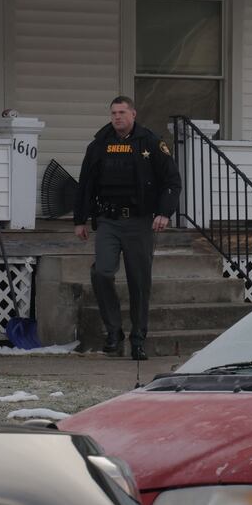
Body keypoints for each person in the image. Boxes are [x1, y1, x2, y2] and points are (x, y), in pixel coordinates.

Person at [74, 96, 181, 361]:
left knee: (139, 282)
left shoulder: (151, 142)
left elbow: (171, 180)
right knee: (101, 272)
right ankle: (113, 332)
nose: (117, 117)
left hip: (139, 221)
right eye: (113, 113)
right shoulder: (100, 144)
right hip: (108, 221)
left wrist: (164, 213)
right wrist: (80, 219)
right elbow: (85, 182)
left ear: (133, 114)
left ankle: (138, 340)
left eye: (122, 112)